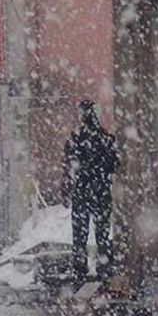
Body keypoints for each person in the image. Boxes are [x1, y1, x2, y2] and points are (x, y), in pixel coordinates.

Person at [63, 100, 120, 281]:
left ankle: (80, 266)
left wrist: (69, 184)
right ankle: (104, 265)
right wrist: (101, 172)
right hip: (100, 189)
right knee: (102, 231)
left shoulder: (75, 139)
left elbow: (69, 165)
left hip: (82, 190)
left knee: (80, 232)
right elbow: (114, 164)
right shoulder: (106, 139)